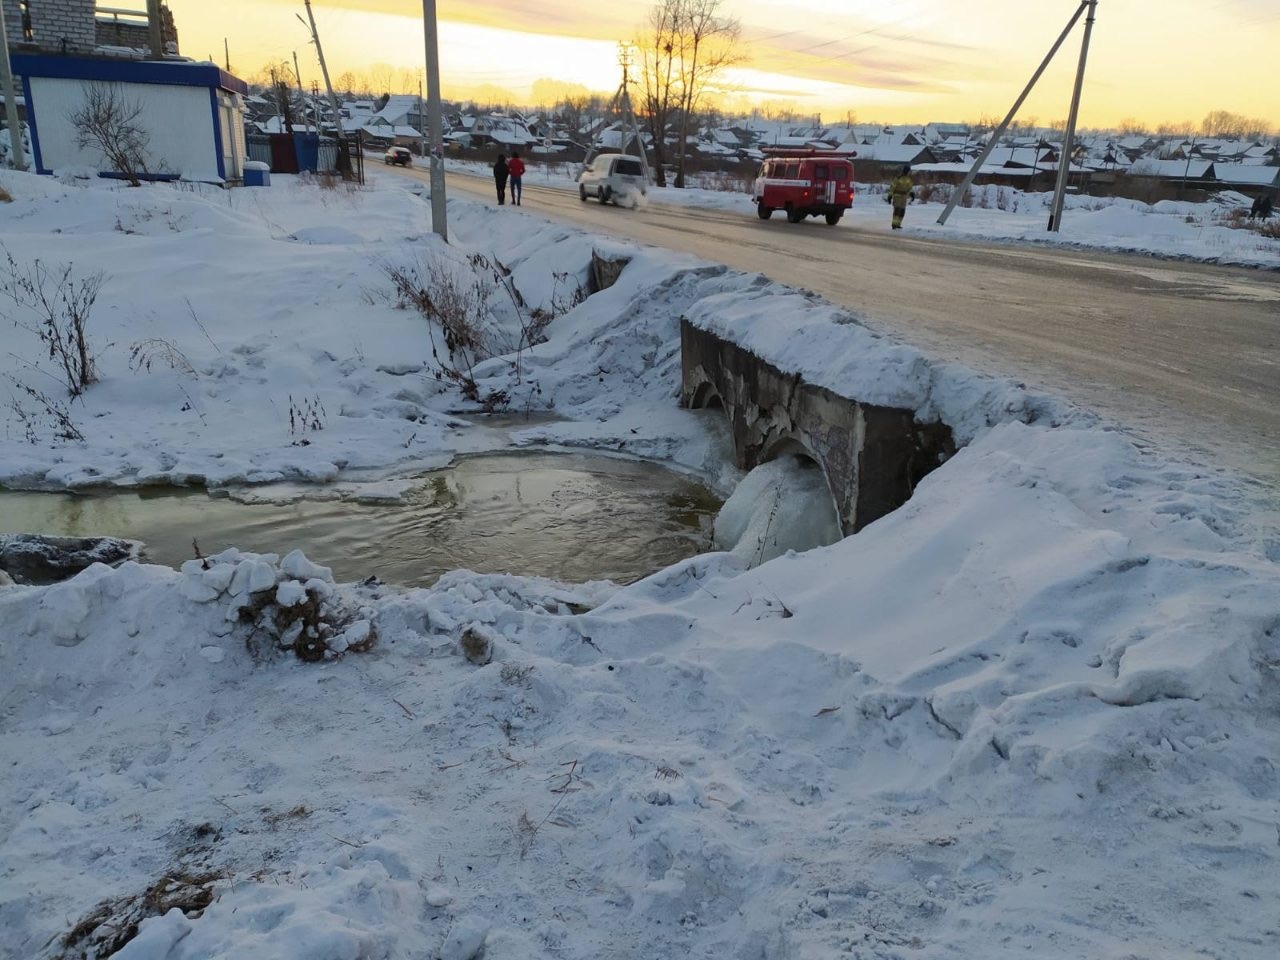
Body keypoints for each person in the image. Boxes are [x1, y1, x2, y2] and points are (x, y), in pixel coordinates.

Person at [888, 165, 915, 230]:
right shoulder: (898, 178)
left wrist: (912, 194)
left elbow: (910, 187)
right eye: (908, 171)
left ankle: (898, 224)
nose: (909, 173)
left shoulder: (908, 179)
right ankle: (894, 224)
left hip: (904, 197)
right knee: (897, 210)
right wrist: (890, 195)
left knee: (902, 211)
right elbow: (892, 187)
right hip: (897, 197)